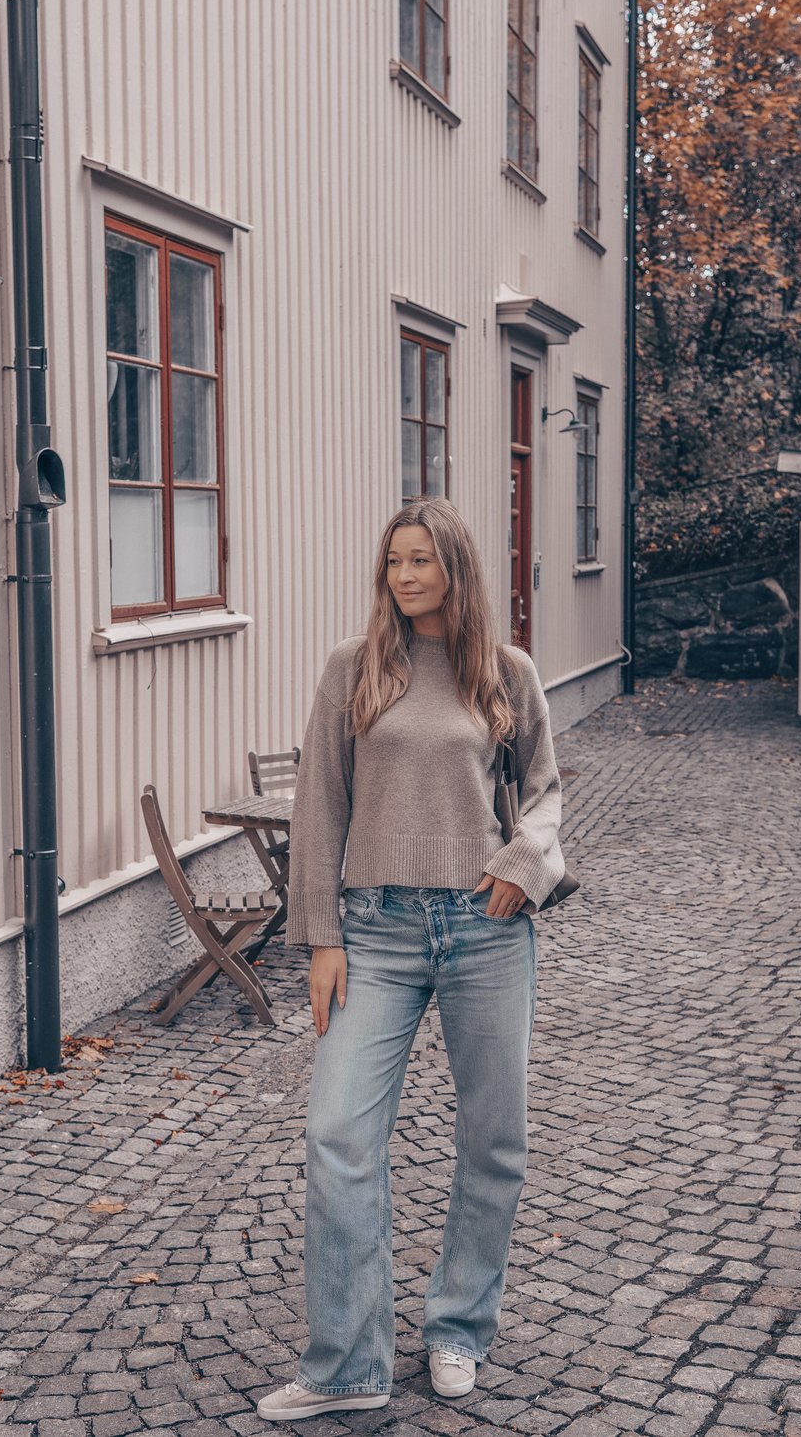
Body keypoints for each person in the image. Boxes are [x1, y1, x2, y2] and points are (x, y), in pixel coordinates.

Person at [257, 497, 565, 1422]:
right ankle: (347, 1365)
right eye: (394, 560)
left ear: (456, 568)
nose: (405, 575)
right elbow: (319, 808)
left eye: (423, 559)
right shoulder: (353, 670)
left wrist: (522, 866)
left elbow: (545, 794)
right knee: (338, 1135)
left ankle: (459, 1331)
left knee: (493, 1141)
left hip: (484, 929)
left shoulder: (507, 673)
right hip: (377, 930)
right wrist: (321, 937)